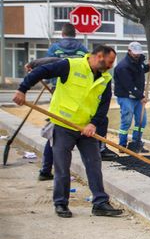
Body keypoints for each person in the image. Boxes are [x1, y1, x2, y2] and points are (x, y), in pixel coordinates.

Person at [13, 45, 123, 218]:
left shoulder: (106, 79)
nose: (110, 66)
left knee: (94, 164)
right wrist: (22, 89)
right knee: (62, 167)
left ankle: (100, 203)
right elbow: (41, 71)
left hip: (85, 129)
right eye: (109, 62)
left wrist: (93, 124)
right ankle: (61, 203)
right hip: (63, 126)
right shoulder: (70, 65)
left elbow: (104, 105)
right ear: (99, 56)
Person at [33, 24, 116, 182]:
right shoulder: (82, 49)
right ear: (75, 34)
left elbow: (52, 62)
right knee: (58, 134)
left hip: (62, 91)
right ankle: (47, 170)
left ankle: (45, 170)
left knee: (55, 133)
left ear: (63, 33)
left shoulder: (56, 47)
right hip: (80, 94)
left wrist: (34, 65)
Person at [113, 42, 150, 153]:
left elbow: (140, 70)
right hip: (126, 96)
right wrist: (141, 96)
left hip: (137, 97)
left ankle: (137, 143)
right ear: (129, 51)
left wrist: (148, 66)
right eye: (135, 53)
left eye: (138, 53)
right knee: (126, 120)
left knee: (142, 121)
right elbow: (129, 85)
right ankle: (122, 145)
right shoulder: (123, 67)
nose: (137, 55)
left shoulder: (139, 62)